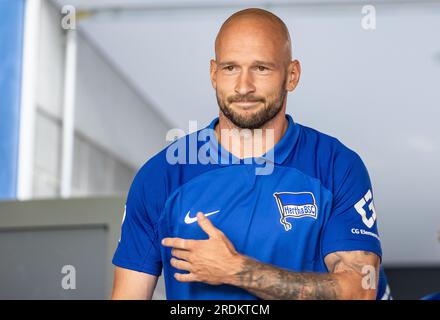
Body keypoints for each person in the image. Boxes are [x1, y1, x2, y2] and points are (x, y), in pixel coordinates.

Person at [111, 8, 392, 300]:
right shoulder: (162, 175)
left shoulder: (336, 167)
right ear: (213, 73)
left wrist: (237, 270)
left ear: (292, 75)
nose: (244, 87)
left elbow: (360, 291)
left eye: (261, 68)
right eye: (230, 68)